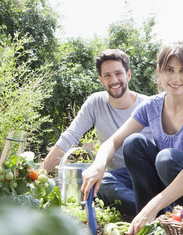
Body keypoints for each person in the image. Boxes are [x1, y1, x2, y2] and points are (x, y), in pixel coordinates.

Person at [81, 41, 183, 235]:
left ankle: (180, 225)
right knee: (134, 143)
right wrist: (98, 164)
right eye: (169, 70)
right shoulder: (151, 106)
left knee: (167, 159)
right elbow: (114, 141)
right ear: (159, 71)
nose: (176, 78)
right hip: (172, 185)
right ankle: (149, 226)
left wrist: (154, 204)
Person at [41, 48, 153, 216]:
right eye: (107, 75)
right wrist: (39, 175)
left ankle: (152, 206)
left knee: (134, 142)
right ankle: (157, 212)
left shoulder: (149, 105)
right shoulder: (95, 103)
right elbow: (70, 137)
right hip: (117, 178)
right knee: (100, 184)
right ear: (101, 80)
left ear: (128, 75)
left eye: (118, 73)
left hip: (147, 175)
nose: (114, 80)